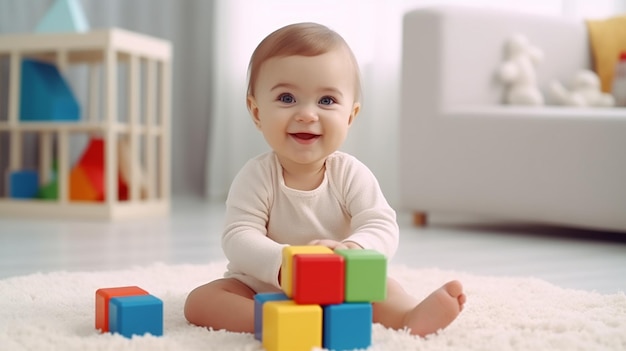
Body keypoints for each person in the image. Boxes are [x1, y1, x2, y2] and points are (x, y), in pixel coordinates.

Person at [184, 22, 466, 337]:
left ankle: (408, 316)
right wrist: (284, 265)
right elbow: (238, 236)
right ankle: (275, 321)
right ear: (257, 111)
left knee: (385, 287)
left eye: (327, 101)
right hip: (263, 287)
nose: (307, 114)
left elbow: (381, 224)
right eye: (287, 98)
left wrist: (354, 248)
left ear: (350, 116)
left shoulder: (349, 173)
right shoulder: (257, 175)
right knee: (201, 301)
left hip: (340, 288)